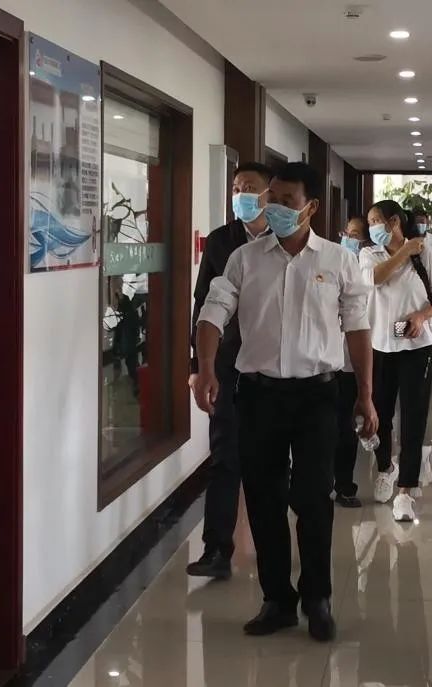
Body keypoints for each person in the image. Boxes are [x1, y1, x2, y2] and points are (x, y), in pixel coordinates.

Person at [194, 162, 378, 643]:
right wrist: (206, 366)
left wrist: (365, 394)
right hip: (259, 395)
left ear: (310, 206)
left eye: (285, 201)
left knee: (314, 498)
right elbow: (213, 311)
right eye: (270, 199)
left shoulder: (338, 261)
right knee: (263, 498)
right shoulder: (244, 258)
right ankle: (277, 599)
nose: (273, 207)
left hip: (319, 395)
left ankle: (317, 598)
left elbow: (358, 329)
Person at [187, 162, 273, 579]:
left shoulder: (284, 240)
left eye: (249, 187)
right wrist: (197, 365)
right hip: (225, 360)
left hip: (271, 362)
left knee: (270, 459)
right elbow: (204, 303)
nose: (241, 195)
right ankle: (217, 550)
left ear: (268, 194)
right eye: (236, 187)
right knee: (224, 455)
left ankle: (271, 546)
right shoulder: (222, 240)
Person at [361, 200, 432, 522]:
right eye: (370, 222)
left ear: (394, 221)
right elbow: (374, 279)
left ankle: (405, 490)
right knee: (380, 414)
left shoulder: (426, 252)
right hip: (379, 346)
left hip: (417, 347)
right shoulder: (368, 254)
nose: (372, 227)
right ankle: (385, 468)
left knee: (414, 418)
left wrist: (422, 315)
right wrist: (404, 250)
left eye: (376, 220)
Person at [335, 215, 373, 508]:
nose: (350, 240)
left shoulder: (368, 267)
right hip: (323, 363)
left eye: (357, 235)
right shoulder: (330, 263)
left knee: (346, 428)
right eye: (348, 234)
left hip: (350, 363)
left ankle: (345, 485)